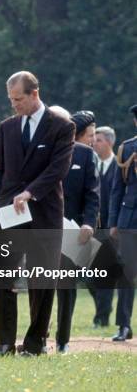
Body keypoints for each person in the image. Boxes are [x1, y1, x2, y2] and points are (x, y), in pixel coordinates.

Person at [0, 71, 75, 356]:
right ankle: (3, 342)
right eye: (11, 100)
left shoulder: (61, 126)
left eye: (19, 99)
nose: (14, 105)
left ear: (34, 93)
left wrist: (31, 192)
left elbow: (57, 168)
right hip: (10, 211)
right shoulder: (8, 127)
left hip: (43, 211)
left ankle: (35, 343)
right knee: (2, 274)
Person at [54, 109, 100, 354]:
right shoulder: (42, 150)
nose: (92, 139)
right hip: (44, 228)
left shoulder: (85, 155)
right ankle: (36, 336)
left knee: (66, 286)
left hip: (72, 230)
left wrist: (88, 223)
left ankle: (63, 339)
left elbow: (93, 195)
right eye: (90, 134)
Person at [108, 104, 137, 342]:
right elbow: (117, 190)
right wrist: (113, 222)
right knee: (127, 273)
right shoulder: (127, 148)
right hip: (130, 219)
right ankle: (124, 325)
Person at [90, 126, 119, 328]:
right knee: (89, 274)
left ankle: (102, 317)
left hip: (111, 228)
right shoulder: (91, 164)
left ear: (109, 142)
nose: (94, 143)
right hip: (91, 228)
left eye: (98, 140)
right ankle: (104, 309)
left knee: (105, 274)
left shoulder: (120, 166)